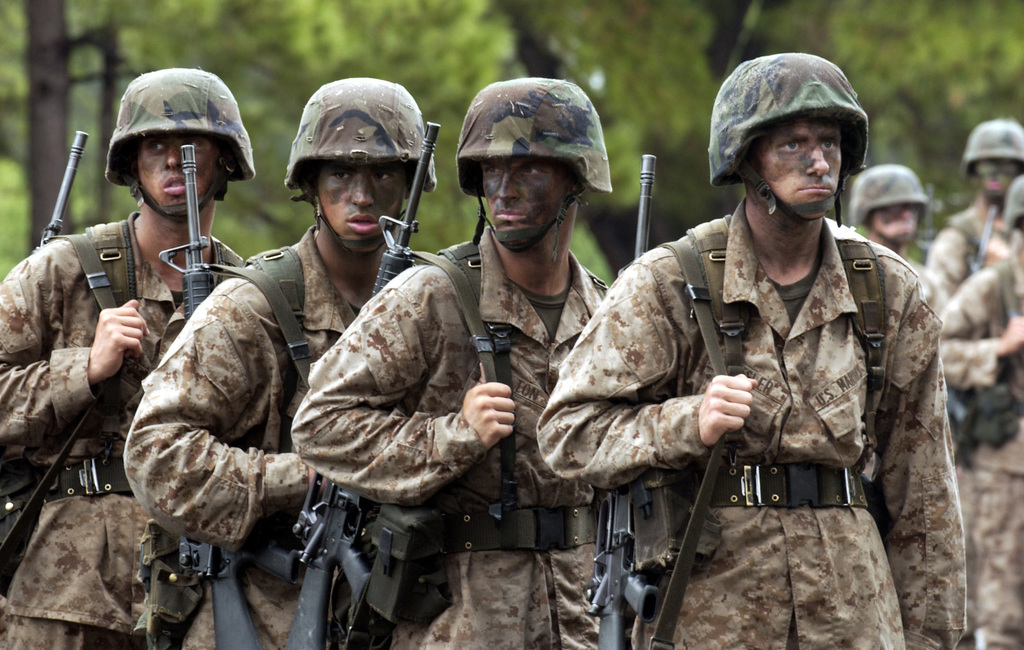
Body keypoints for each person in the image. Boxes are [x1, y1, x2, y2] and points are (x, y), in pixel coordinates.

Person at [539, 52, 965, 648]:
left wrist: (932, 639)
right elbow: (567, 433)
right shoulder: (670, 282)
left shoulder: (886, 290)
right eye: (793, 144)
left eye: (830, 143)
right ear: (746, 159)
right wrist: (688, 421)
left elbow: (926, 499)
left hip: (855, 615)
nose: (819, 161)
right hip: (712, 612)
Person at [290, 77, 612, 649]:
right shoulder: (432, 294)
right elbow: (320, 427)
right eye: (491, 173)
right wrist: (454, 437)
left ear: (575, 180)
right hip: (460, 620)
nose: (504, 191)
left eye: (528, 171)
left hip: (581, 614)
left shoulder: (606, 310)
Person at [124, 77, 434, 648]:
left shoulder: (434, 301)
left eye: (383, 175)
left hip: (396, 613)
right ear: (311, 186)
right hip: (260, 610)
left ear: (411, 186)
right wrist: (304, 478)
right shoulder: (257, 304)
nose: (361, 197)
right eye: (340, 175)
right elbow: (154, 455)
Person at [0, 68, 252, 648]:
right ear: (131, 165)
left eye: (192, 147)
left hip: (207, 594)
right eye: (156, 146)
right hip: (68, 595)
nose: (173, 162)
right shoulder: (63, 270)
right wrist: (82, 369)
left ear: (226, 161)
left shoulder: (249, 294)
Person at [940, 173, 1024, 650]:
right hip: (1002, 465)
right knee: (1002, 604)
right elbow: (935, 352)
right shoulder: (994, 286)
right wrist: (997, 349)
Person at [925, 118, 1024, 313]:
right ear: (973, 171)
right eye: (987, 165)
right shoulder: (956, 237)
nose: (995, 175)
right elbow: (938, 316)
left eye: (1006, 165)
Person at [847, 163, 939, 305]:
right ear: (868, 215)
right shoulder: (850, 276)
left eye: (912, 207)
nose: (907, 214)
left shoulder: (928, 281)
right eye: (895, 207)